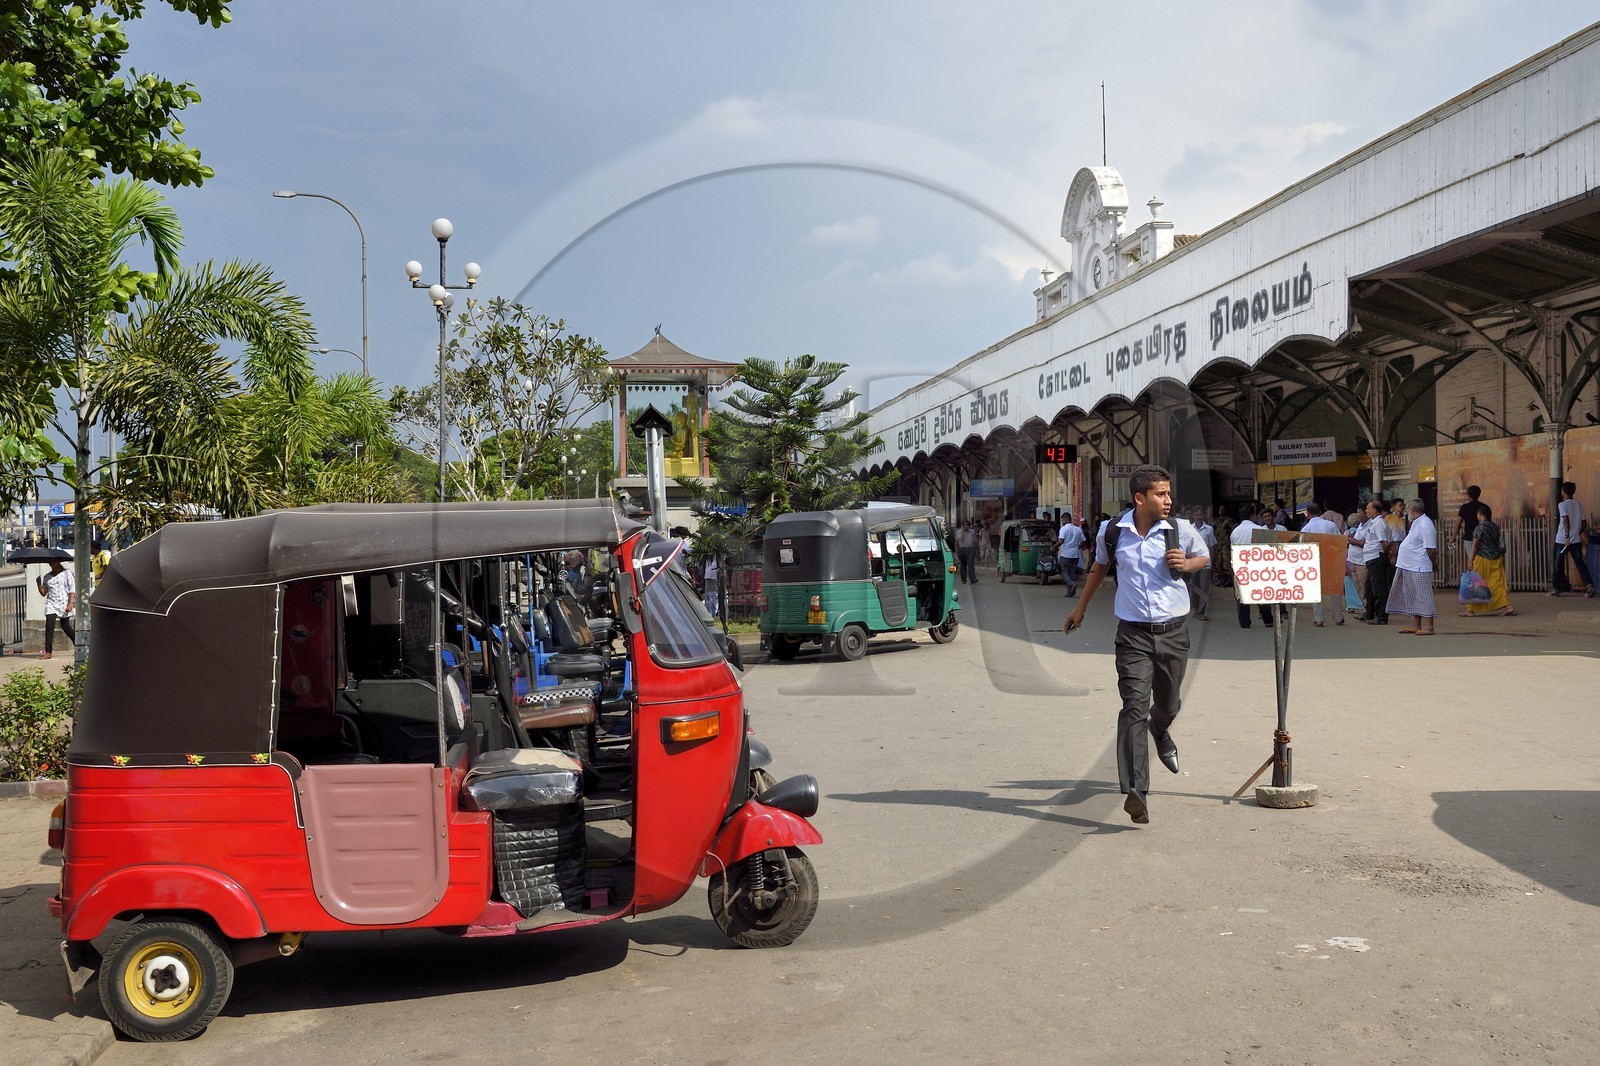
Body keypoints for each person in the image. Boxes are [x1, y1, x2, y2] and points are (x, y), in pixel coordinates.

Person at [1064, 466, 1208, 826]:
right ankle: (1135, 791)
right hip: (1132, 634)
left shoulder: (1179, 529)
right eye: (1161, 494)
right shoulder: (1112, 532)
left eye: (1169, 493)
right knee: (1132, 706)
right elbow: (1099, 567)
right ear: (1140, 498)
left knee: (1169, 703)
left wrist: (1187, 563)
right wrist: (1080, 608)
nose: (1169, 500)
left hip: (1173, 632)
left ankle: (1160, 729)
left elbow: (1204, 557)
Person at [1386, 498, 1438, 634]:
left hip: (1418, 565)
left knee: (1423, 595)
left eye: (1408, 508)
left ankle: (1429, 626)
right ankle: (1416, 625)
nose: (1406, 510)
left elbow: (1431, 548)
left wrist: (1434, 563)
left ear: (1413, 510)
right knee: (1412, 595)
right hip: (1408, 565)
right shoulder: (1415, 522)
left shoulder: (1425, 524)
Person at [1461, 503, 1515, 617]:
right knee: (1497, 583)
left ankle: (1470, 609)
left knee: (1475, 583)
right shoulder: (1495, 526)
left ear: (1480, 515)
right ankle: (1507, 606)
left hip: (1482, 559)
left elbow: (1475, 545)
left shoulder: (1479, 528)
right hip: (1496, 559)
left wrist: (1470, 561)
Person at [1298, 502, 1343, 626]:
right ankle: (1338, 617)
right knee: (1334, 589)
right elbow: (1339, 542)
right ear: (1320, 512)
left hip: (1313, 561)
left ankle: (1319, 618)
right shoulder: (1330, 525)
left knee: (1315, 591)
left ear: (1307, 514)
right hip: (1331, 559)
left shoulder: (1306, 528)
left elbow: (1302, 548)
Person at [1351, 499, 1395, 624]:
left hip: (1376, 557)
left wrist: (1388, 555)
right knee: (1369, 588)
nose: (1366, 511)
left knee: (1379, 588)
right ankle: (1369, 613)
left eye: (1368, 509)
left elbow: (1385, 543)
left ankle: (1381, 617)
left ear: (1374, 510)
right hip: (1372, 558)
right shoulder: (1375, 523)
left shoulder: (1378, 524)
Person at [1548, 481, 1595, 597]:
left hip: (1562, 540)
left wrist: (1567, 537)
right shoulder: (1578, 505)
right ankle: (1589, 586)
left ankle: (1555, 589)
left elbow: (1565, 520)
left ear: (1563, 492)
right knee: (1579, 563)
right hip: (1576, 540)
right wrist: (1577, 532)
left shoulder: (1562, 505)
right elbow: (1584, 522)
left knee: (1557, 562)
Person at [1230, 504, 1273, 628]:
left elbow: (1233, 549)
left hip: (1240, 565)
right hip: (1258, 565)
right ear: (1252, 515)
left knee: (1242, 595)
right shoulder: (1260, 529)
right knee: (1262, 593)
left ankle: (1245, 622)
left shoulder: (1235, 532)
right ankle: (1267, 620)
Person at [37, 557, 76, 660]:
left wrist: (71, 603)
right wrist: (38, 583)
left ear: (59, 561)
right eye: (49, 561)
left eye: (53, 561)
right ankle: (48, 652)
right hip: (51, 603)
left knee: (65, 626)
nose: (51, 563)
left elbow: (72, 588)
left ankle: (79, 643)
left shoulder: (67, 573)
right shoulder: (47, 577)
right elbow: (43, 593)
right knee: (49, 626)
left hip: (64, 603)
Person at [1189, 507, 1215, 620]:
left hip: (1205, 562)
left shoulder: (1209, 529)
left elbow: (1212, 546)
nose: (1198, 517)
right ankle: (1195, 608)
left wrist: (1212, 561)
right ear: (1193, 516)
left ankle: (1201, 612)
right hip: (1193, 562)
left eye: (1200, 515)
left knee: (1204, 587)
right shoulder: (1190, 528)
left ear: (1203, 515)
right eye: (1196, 515)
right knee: (1194, 586)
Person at [1055, 510, 1084, 596]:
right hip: (1075, 555)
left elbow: (1061, 541)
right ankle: (1069, 593)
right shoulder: (1077, 529)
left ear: (1064, 519)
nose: (1062, 522)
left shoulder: (1064, 529)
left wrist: (1054, 547)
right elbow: (1084, 541)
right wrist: (1077, 547)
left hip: (1066, 555)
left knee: (1062, 570)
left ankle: (1071, 584)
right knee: (1071, 573)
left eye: (1062, 520)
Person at [1451, 486, 1482, 564]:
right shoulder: (1484, 507)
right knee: (1482, 560)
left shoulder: (1464, 508)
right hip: (1483, 538)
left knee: (1473, 560)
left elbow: (1458, 525)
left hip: (1469, 538)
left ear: (1468, 496)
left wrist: (1452, 538)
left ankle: (1476, 575)